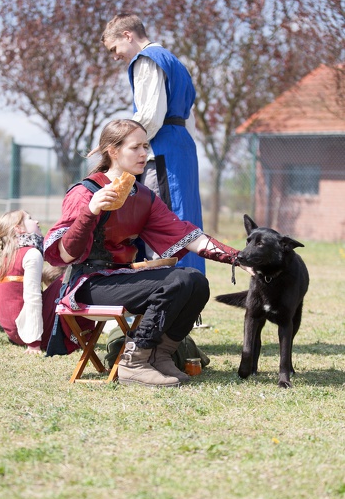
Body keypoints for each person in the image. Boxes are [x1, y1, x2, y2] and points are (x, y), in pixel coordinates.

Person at [44, 119, 243, 387]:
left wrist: (238, 258)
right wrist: (90, 211)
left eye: (146, 146)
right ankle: (133, 362)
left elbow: (190, 236)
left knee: (194, 281)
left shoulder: (144, 195)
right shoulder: (85, 192)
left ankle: (160, 356)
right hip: (88, 284)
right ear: (113, 151)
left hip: (123, 278)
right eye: (135, 147)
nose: (144, 154)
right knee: (178, 280)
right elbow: (64, 255)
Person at [101, 13, 205, 274]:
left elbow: (149, 116)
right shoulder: (177, 64)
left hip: (160, 152)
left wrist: (121, 148)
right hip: (182, 150)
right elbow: (187, 118)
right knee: (185, 220)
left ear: (128, 35)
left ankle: (169, 297)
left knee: (161, 224)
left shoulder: (146, 60)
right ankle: (188, 294)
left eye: (115, 48)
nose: (115, 56)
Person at [0, 210, 93, 354]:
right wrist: (33, 342)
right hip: (28, 332)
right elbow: (32, 297)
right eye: (30, 219)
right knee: (71, 278)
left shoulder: (7, 256)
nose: (36, 222)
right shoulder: (31, 253)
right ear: (18, 229)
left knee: (65, 280)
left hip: (14, 333)